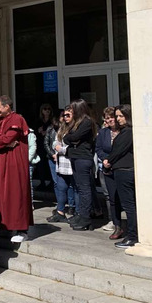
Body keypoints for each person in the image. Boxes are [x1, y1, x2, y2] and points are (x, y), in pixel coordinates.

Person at [0, 95, 33, 243]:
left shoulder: (17, 119)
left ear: (7, 106)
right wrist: (0, 142)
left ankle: (21, 228)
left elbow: (9, 138)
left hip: (14, 161)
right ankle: (2, 224)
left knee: (15, 192)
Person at [61, 98, 97, 231]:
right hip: (75, 156)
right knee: (79, 188)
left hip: (82, 158)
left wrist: (72, 139)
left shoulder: (87, 122)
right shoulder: (77, 122)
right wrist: (71, 139)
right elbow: (66, 137)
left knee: (84, 188)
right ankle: (81, 214)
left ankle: (86, 217)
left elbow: (74, 137)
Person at [104, 105, 136, 249]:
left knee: (129, 206)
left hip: (125, 171)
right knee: (129, 205)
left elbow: (118, 150)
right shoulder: (125, 132)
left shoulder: (128, 132)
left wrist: (108, 161)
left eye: (121, 116)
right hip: (121, 170)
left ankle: (132, 236)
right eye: (117, 116)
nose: (118, 119)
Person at [95, 107, 122, 237]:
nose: (110, 120)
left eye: (111, 117)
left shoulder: (124, 131)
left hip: (122, 168)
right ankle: (115, 222)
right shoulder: (103, 132)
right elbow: (98, 148)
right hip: (106, 168)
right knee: (109, 196)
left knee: (126, 197)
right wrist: (104, 159)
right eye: (107, 118)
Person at [48, 106, 78, 223]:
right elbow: (56, 141)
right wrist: (57, 147)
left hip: (72, 162)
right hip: (61, 163)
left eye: (68, 115)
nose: (65, 118)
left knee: (75, 188)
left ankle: (77, 212)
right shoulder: (62, 128)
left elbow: (73, 146)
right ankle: (60, 212)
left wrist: (61, 149)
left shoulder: (77, 128)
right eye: (64, 115)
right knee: (61, 188)